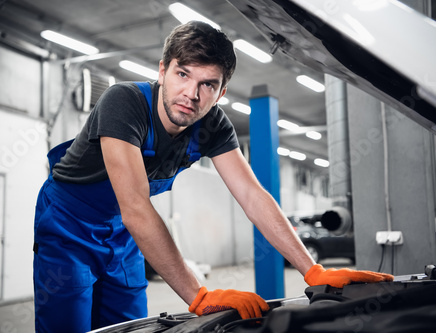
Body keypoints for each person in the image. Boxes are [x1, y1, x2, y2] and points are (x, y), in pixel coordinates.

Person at [33, 21, 393, 333]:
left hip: (123, 234)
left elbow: (253, 196)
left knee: (131, 326)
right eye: (183, 74)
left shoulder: (213, 126)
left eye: (208, 84)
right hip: (69, 224)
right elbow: (136, 207)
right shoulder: (123, 102)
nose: (191, 94)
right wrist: (198, 295)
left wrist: (311, 270)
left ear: (221, 93)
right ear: (162, 71)